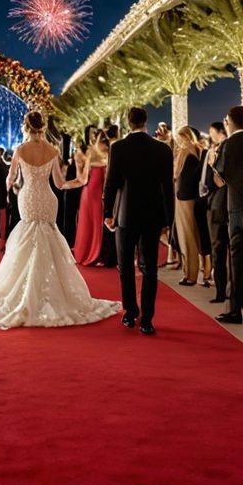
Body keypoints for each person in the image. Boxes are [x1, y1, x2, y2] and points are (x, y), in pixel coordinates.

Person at [0, 110, 117, 329]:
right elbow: (59, 183)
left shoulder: (20, 149)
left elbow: (11, 179)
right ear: (43, 127)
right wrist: (80, 182)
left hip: (28, 197)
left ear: (26, 128)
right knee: (48, 239)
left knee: (27, 239)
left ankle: (23, 293)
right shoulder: (52, 150)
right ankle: (48, 294)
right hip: (48, 199)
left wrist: (14, 190)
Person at [102, 107, 174, 336]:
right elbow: (167, 187)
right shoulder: (162, 149)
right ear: (145, 122)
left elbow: (111, 183)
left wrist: (107, 212)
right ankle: (148, 319)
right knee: (150, 267)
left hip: (126, 214)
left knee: (125, 266)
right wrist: (168, 218)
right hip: (152, 215)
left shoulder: (118, 147)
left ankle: (131, 312)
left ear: (128, 123)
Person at [213, 105, 243, 324]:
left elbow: (220, 179)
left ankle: (234, 309)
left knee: (236, 258)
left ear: (229, 121)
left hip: (235, 208)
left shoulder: (227, 145)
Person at [173, 126, 206, 287]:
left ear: (185, 136)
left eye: (180, 137)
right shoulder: (193, 151)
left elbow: (180, 176)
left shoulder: (188, 152)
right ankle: (190, 272)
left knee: (187, 237)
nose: (179, 141)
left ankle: (191, 274)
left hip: (185, 198)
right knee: (189, 236)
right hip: (187, 197)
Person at [71, 131, 109, 265]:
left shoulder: (95, 154)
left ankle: (94, 254)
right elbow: (83, 178)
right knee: (91, 222)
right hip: (91, 194)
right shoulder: (93, 155)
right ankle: (91, 254)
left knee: (94, 223)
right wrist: (77, 165)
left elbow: (83, 179)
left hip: (94, 194)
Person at [203, 122, 230, 304]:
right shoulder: (219, 148)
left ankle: (223, 291)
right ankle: (234, 294)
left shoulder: (221, 149)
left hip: (220, 204)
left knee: (219, 249)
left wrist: (212, 165)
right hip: (225, 203)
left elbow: (213, 181)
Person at [97, 124, 121, 269]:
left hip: (111, 190)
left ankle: (110, 257)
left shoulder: (112, 148)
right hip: (117, 190)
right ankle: (112, 256)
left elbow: (110, 175)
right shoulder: (116, 146)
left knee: (109, 223)